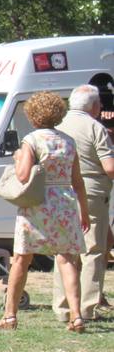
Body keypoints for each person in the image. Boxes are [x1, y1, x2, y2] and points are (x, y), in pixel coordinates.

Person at [0, 91, 89, 332]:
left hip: (38, 202)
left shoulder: (31, 140)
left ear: (33, 115)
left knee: (21, 260)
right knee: (67, 259)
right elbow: (78, 181)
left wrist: (17, 159)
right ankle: (76, 316)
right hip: (65, 202)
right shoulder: (68, 141)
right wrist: (84, 211)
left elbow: (24, 175)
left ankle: (10, 315)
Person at [54, 85, 114, 323]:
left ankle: (63, 307)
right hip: (90, 191)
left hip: (59, 191)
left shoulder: (57, 125)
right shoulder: (95, 127)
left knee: (65, 251)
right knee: (92, 250)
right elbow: (109, 167)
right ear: (94, 106)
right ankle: (88, 307)